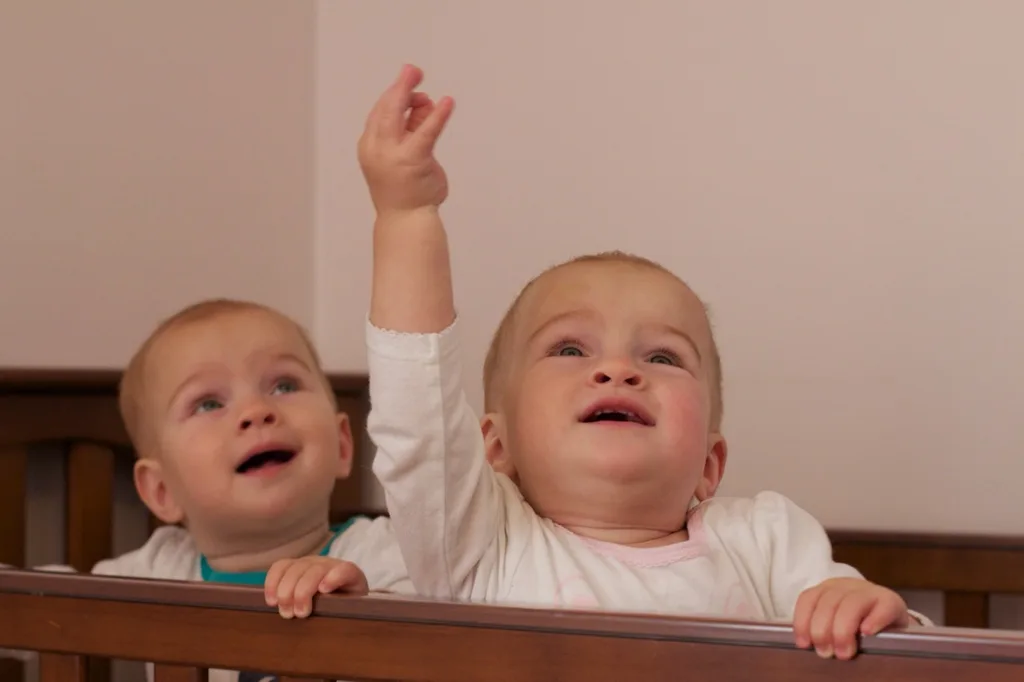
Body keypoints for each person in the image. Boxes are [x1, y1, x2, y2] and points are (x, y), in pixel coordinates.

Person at [357, 64, 925, 661]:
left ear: (710, 463)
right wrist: (407, 217)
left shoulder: (765, 541)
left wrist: (873, 618)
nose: (619, 370)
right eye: (570, 349)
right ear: (495, 449)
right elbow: (417, 415)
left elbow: (895, 657)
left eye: (662, 356)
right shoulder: (482, 542)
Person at [2, 298, 411, 682]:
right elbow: (44, 609)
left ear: (342, 444)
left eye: (284, 385)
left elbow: (446, 635)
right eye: (209, 404)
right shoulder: (158, 573)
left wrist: (366, 601)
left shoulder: (379, 553)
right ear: (162, 491)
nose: (256, 412)